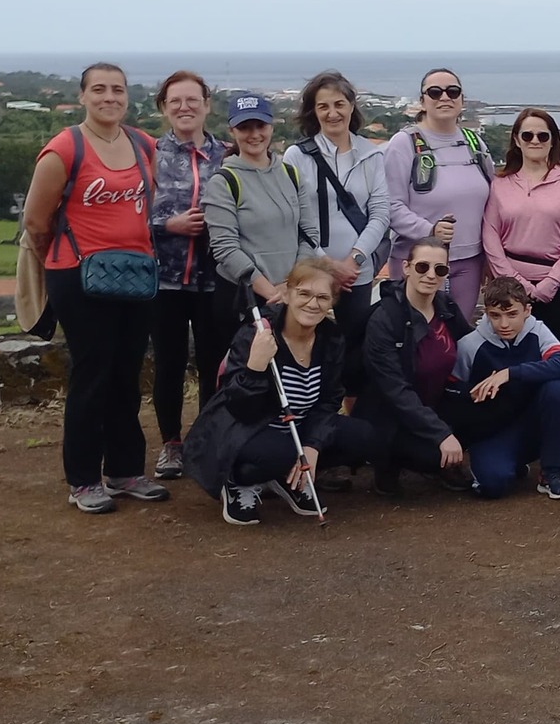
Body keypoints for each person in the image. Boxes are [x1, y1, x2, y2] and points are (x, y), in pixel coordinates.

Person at [21, 62, 168, 514]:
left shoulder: (144, 144)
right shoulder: (65, 148)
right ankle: (83, 478)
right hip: (79, 275)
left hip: (136, 274)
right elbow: (35, 220)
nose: (110, 98)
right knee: (92, 374)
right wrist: (66, 257)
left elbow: (153, 200)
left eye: (118, 90)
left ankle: (124, 471)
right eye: (99, 89)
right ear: (82, 96)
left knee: (127, 373)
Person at [185, 257, 378, 526]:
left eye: (322, 297)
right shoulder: (257, 333)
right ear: (286, 293)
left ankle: (288, 479)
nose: (313, 304)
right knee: (283, 454)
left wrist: (312, 445)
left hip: (297, 429)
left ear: (332, 302)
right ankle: (237, 481)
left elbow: (329, 400)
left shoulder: (331, 338)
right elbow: (238, 408)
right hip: (247, 431)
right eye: (304, 294)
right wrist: (254, 367)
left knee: (363, 436)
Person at [283, 70, 391, 386]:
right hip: (311, 267)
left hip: (357, 271)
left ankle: (351, 411)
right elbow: (295, 216)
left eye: (339, 104)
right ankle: (308, 404)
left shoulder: (371, 155)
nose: (333, 113)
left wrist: (353, 261)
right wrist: (326, 263)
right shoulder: (298, 155)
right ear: (313, 112)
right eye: (323, 106)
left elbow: (381, 213)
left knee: (354, 344)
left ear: (351, 106)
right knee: (306, 337)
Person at [146, 69, 228, 482]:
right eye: (175, 101)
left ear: (206, 104)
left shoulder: (227, 155)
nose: (184, 107)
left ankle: (207, 438)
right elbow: (128, 217)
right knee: (170, 363)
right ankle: (171, 444)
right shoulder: (149, 154)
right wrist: (167, 225)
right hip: (164, 279)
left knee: (215, 363)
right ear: (163, 107)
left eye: (192, 99)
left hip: (214, 280)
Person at [444, 277, 560, 500]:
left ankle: (551, 473)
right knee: (492, 486)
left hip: (534, 424)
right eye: (495, 316)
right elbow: (450, 390)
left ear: (527, 310)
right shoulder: (470, 345)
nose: (504, 324)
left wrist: (510, 373)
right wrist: (471, 394)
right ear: (486, 313)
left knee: (557, 388)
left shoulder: (538, 332)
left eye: (512, 314)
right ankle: (511, 464)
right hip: (493, 429)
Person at [361, 240, 471, 495]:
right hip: (392, 415)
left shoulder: (446, 307)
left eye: (440, 270)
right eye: (422, 267)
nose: (431, 275)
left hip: (436, 404)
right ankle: (388, 463)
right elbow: (395, 391)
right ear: (406, 267)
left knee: (494, 408)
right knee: (433, 456)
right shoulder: (384, 318)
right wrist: (441, 434)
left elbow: (472, 345)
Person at [386, 67, 494, 317]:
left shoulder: (474, 142)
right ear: (422, 101)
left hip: (469, 260)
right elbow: (391, 206)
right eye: (435, 92)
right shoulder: (404, 144)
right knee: (415, 335)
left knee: (457, 337)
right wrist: (429, 230)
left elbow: (494, 197)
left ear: (462, 100)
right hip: (419, 262)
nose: (444, 97)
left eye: (452, 91)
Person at [204, 93, 320, 321]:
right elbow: (225, 248)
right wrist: (272, 292)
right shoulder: (224, 182)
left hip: (292, 294)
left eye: (260, 126)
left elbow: (308, 234)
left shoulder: (291, 175)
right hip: (243, 300)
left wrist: (291, 285)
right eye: (245, 127)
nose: (254, 134)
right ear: (232, 132)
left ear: (271, 127)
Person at [482, 108, 560, 343]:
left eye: (542, 136)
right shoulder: (500, 183)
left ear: (553, 140)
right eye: (527, 135)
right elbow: (490, 236)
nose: (535, 141)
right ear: (516, 140)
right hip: (508, 287)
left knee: (554, 354)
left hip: (559, 287)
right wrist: (516, 282)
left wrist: (551, 283)